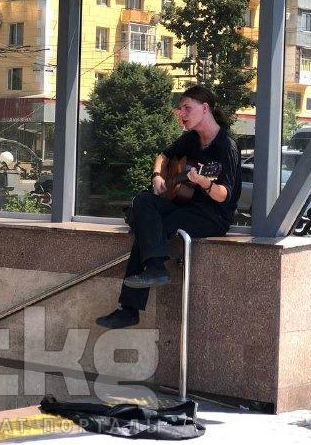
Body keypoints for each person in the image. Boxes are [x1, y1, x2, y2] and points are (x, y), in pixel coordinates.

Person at [96, 85, 242, 329]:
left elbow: (223, 196)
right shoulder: (191, 138)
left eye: (187, 108)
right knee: (143, 200)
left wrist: (203, 182)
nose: (181, 113)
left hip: (212, 216)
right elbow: (163, 156)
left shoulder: (226, 146)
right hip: (184, 205)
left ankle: (129, 308)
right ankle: (154, 268)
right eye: (180, 108)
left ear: (205, 108)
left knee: (150, 227)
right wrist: (157, 176)